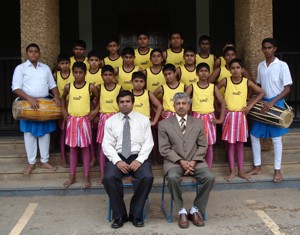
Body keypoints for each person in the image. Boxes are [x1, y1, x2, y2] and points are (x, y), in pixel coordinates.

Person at [158, 92, 215, 229]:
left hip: (196, 161)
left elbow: (203, 145)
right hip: (174, 162)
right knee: (172, 177)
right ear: (174, 106)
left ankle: (195, 209)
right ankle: (182, 210)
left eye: (184, 103)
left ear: (189, 106)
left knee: (210, 177)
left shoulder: (198, 122)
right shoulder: (164, 124)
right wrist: (180, 161)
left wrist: (194, 161)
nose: (181, 106)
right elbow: (164, 148)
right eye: (178, 104)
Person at [102, 90, 154, 229]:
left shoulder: (143, 120)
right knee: (109, 177)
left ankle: (135, 214)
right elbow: (106, 144)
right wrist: (117, 161)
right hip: (118, 156)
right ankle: (120, 215)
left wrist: (140, 160)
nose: (125, 104)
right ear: (117, 104)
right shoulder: (110, 122)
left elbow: (148, 143)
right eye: (122, 102)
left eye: (127, 101)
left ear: (133, 103)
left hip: (137, 156)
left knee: (147, 177)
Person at [247, 38, 293, 183]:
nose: (266, 50)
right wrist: (254, 101)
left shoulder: (282, 65)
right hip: (263, 104)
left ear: (274, 48)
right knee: (254, 135)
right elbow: (259, 86)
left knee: (276, 139)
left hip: (276, 104)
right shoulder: (261, 66)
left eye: (269, 48)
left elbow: (287, 88)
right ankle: (257, 166)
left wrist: (272, 102)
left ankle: (277, 171)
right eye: (264, 48)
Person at [11, 43, 60, 174]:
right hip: (28, 104)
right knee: (29, 134)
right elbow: (15, 87)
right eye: (31, 51)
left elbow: (52, 84)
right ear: (27, 54)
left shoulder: (45, 68)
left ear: (39, 54)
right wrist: (29, 98)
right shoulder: (20, 68)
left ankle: (44, 161)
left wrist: (56, 96)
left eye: (36, 51)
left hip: (44, 104)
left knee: (45, 134)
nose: (33, 54)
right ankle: (31, 163)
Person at [217, 58, 265, 181]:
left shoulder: (246, 82)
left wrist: (250, 105)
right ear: (229, 69)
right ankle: (232, 170)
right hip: (229, 115)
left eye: (238, 68)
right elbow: (212, 91)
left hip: (241, 116)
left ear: (242, 70)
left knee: (240, 144)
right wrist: (219, 106)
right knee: (231, 144)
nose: (235, 70)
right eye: (232, 68)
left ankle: (241, 171)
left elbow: (261, 92)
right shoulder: (225, 81)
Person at [61, 62, 99, 189]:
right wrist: (64, 110)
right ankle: (72, 176)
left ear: (85, 73)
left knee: (85, 148)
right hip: (72, 120)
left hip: (84, 120)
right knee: (72, 148)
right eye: (76, 72)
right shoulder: (68, 87)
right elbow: (62, 98)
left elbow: (98, 98)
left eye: (80, 72)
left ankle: (87, 176)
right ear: (73, 73)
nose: (78, 75)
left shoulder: (90, 87)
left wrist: (95, 111)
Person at [185, 62, 226, 168]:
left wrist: (220, 119)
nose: (203, 73)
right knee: (195, 145)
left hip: (209, 118)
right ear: (197, 73)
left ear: (209, 73)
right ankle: (196, 170)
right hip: (196, 118)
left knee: (209, 146)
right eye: (201, 71)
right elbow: (183, 101)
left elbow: (223, 102)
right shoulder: (192, 87)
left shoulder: (213, 87)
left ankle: (208, 170)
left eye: (206, 71)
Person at [95, 65, 122, 184]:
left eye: (110, 75)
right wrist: (95, 113)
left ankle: (118, 172)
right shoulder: (99, 88)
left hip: (117, 118)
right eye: (105, 75)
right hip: (104, 119)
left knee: (118, 147)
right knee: (103, 147)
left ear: (114, 76)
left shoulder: (119, 88)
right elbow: (93, 101)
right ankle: (102, 173)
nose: (108, 77)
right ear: (101, 76)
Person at [53, 53, 74, 168]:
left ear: (70, 64)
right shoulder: (56, 75)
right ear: (58, 65)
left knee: (74, 132)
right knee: (63, 132)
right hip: (62, 106)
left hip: (74, 106)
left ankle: (75, 157)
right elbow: (52, 87)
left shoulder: (74, 74)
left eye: (66, 63)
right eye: (62, 63)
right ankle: (63, 158)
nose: (65, 65)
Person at [86, 49, 104, 168]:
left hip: (101, 106)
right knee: (90, 133)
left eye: (96, 60)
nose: (93, 62)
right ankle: (93, 156)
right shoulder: (83, 73)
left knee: (101, 133)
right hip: (87, 105)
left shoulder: (104, 73)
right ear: (88, 61)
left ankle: (102, 155)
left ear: (100, 62)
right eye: (91, 60)